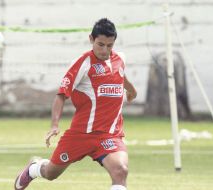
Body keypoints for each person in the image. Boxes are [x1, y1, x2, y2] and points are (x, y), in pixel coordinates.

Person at [14, 18, 137, 190]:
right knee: (51, 173)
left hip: (110, 135)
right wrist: (54, 125)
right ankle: (34, 168)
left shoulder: (120, 59)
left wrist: (131, 90)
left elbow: (120, 75)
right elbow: (61, 95)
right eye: (100, 44)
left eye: (109, 45)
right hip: (81, 134)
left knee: (120, 171)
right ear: (91, 39)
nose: (105, 50)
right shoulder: (83, 64)